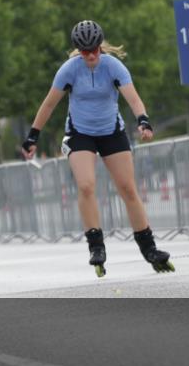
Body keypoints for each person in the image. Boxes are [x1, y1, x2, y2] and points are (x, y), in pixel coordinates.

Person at [21, 20, 175, 277]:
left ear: (100, 47)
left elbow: (133, 97)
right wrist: (32, 136)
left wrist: (143, 120)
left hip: (111, 132)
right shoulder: (68, 70)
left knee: (127, 188)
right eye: (84, 51)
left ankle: (149, 248)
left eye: (94, 50)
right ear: (78, 51)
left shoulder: (114, 66)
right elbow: (48, 105)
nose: (90, 56)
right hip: (80, 134)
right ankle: (96, 245)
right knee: (86, 185)